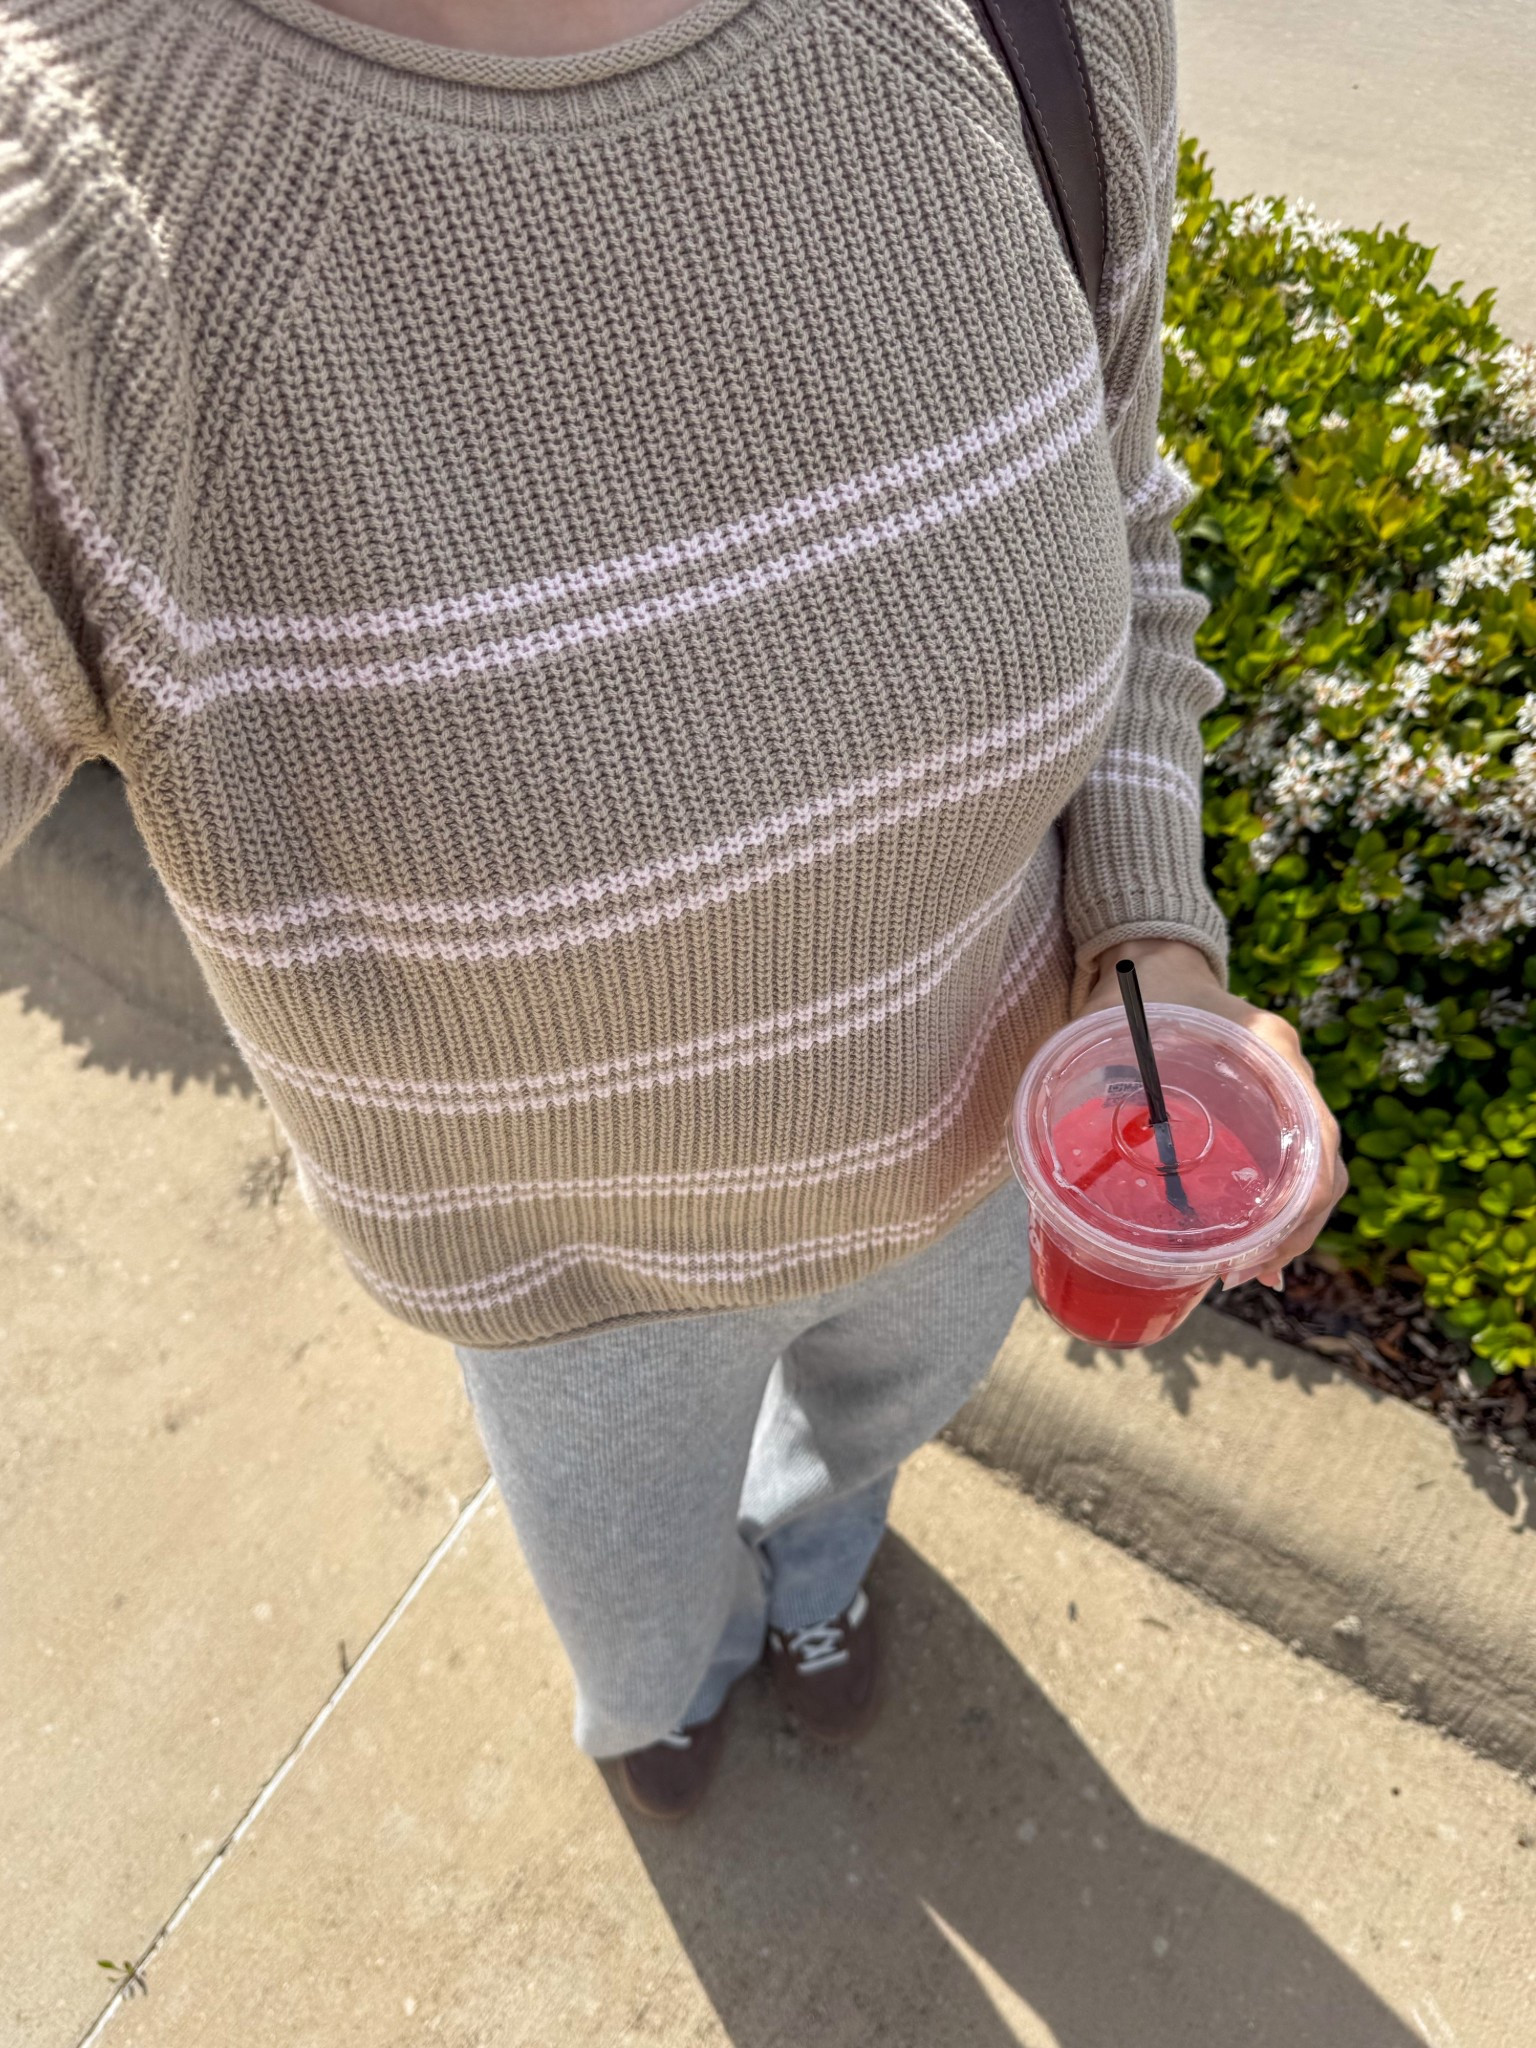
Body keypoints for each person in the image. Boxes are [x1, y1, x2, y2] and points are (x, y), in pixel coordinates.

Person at [0, 0, 1345, 1821]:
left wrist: (1148, 942)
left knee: (858, 1455)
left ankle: (808, 1583)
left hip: (976, 1157)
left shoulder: (1032, 23)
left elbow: (1119, 512)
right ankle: (663, 1695)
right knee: (628, 1594)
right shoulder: (64, 201)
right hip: (574, 1275)